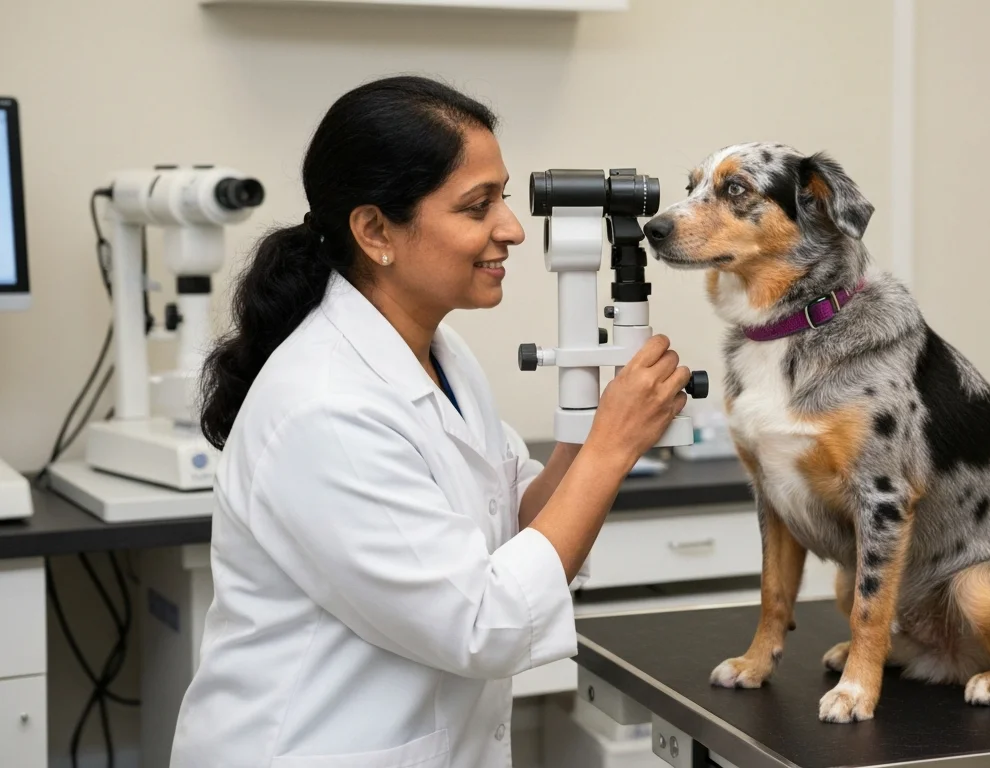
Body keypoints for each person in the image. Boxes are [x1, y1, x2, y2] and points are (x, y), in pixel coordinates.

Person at [168, 75, 691, 768]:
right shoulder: (324, 406)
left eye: (502, 196)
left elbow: (515, 524)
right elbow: (483, 625)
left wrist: (591, 433)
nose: (509, 227)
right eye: (477, 206)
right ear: (376, 230)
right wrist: (611, 447)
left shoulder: (439, 353)